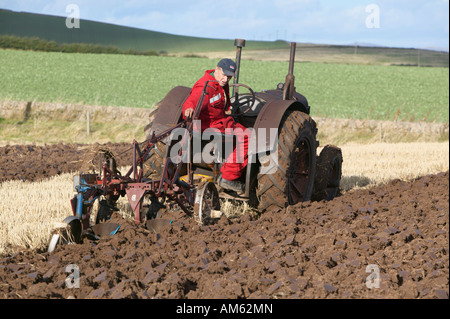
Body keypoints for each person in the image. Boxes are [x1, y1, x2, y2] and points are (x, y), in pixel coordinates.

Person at [182, 58, 249, 193]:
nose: (226, 79)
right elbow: (193, 100)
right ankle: (228, 177)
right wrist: (189, 108)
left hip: (220, 121)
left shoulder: (219, 83)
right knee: (248, 136)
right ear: (217, 69)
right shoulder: (206, 85)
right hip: (210, 125)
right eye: (224, 75)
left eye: (229, 77)